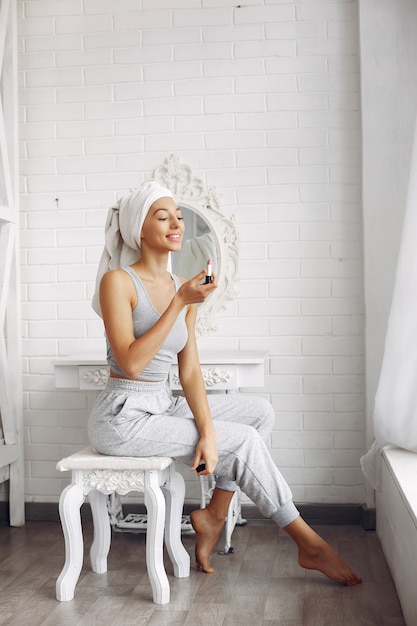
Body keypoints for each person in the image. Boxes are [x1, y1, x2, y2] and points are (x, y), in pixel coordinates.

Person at [88, 180, 362, 586]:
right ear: (139, 230)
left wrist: (209, 432)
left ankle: (214, 514)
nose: (176, 224)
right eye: (162, 217)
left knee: (258, 414)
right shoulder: (119, 282)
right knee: (244, 442)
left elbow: (191, 371)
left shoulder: (181, 287)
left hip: (162, 403)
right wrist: (180, 302)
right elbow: (129, 363)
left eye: (178, 216)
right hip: (122, 418)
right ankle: (308, 543)